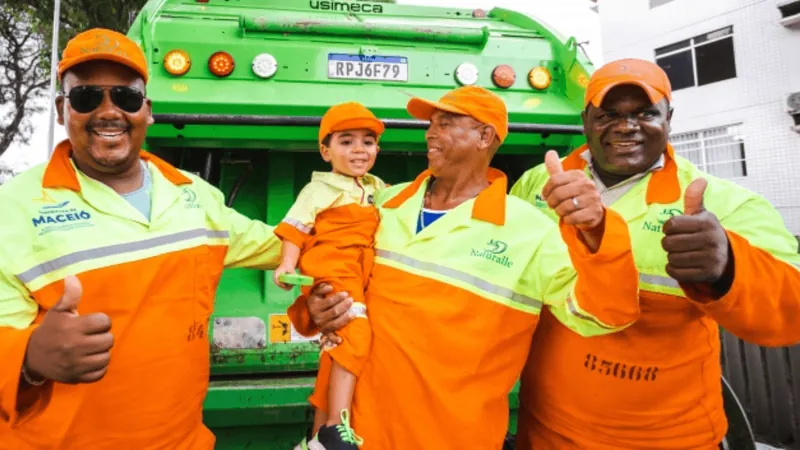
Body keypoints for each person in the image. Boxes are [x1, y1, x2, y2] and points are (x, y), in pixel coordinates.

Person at [287, 85, 643, 449]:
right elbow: (328, 262)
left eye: (445, 123)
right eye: (430, 123)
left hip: (450, 436)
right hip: (354, 434)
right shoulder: (384, 202)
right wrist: (315, 306)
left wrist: (598, 229)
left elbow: (605, 315)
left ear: (484, 136)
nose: (429, 132)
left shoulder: (530, 231)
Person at [0, 28, 281, 449]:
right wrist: (28, 360)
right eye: (86, 97)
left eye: (126, 97)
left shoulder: (196, 195)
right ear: (62, 109)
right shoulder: (14, 208)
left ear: (147, 110)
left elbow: (279, 246)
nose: (108, 111)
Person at [509, 58, 800, 450]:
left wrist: (729, 266)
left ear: (669, 118)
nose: (626, 126)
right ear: (586, 120)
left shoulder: (720, 202)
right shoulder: (541, 181)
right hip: (545, 430)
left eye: (645, 112)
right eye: (609, 114)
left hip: (666, 437)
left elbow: (791, 308)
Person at [272, 102, 386, 450]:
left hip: (358, 270)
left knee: (337, 343)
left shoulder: (377, 187)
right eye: (346, 141)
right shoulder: (318, 190)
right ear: (325, 151)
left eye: (368, 142)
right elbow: (295, 229)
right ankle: (337, 425)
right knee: (357, 332)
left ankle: (318, 437)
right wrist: (287, 265)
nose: (358, 150)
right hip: (333, 268)